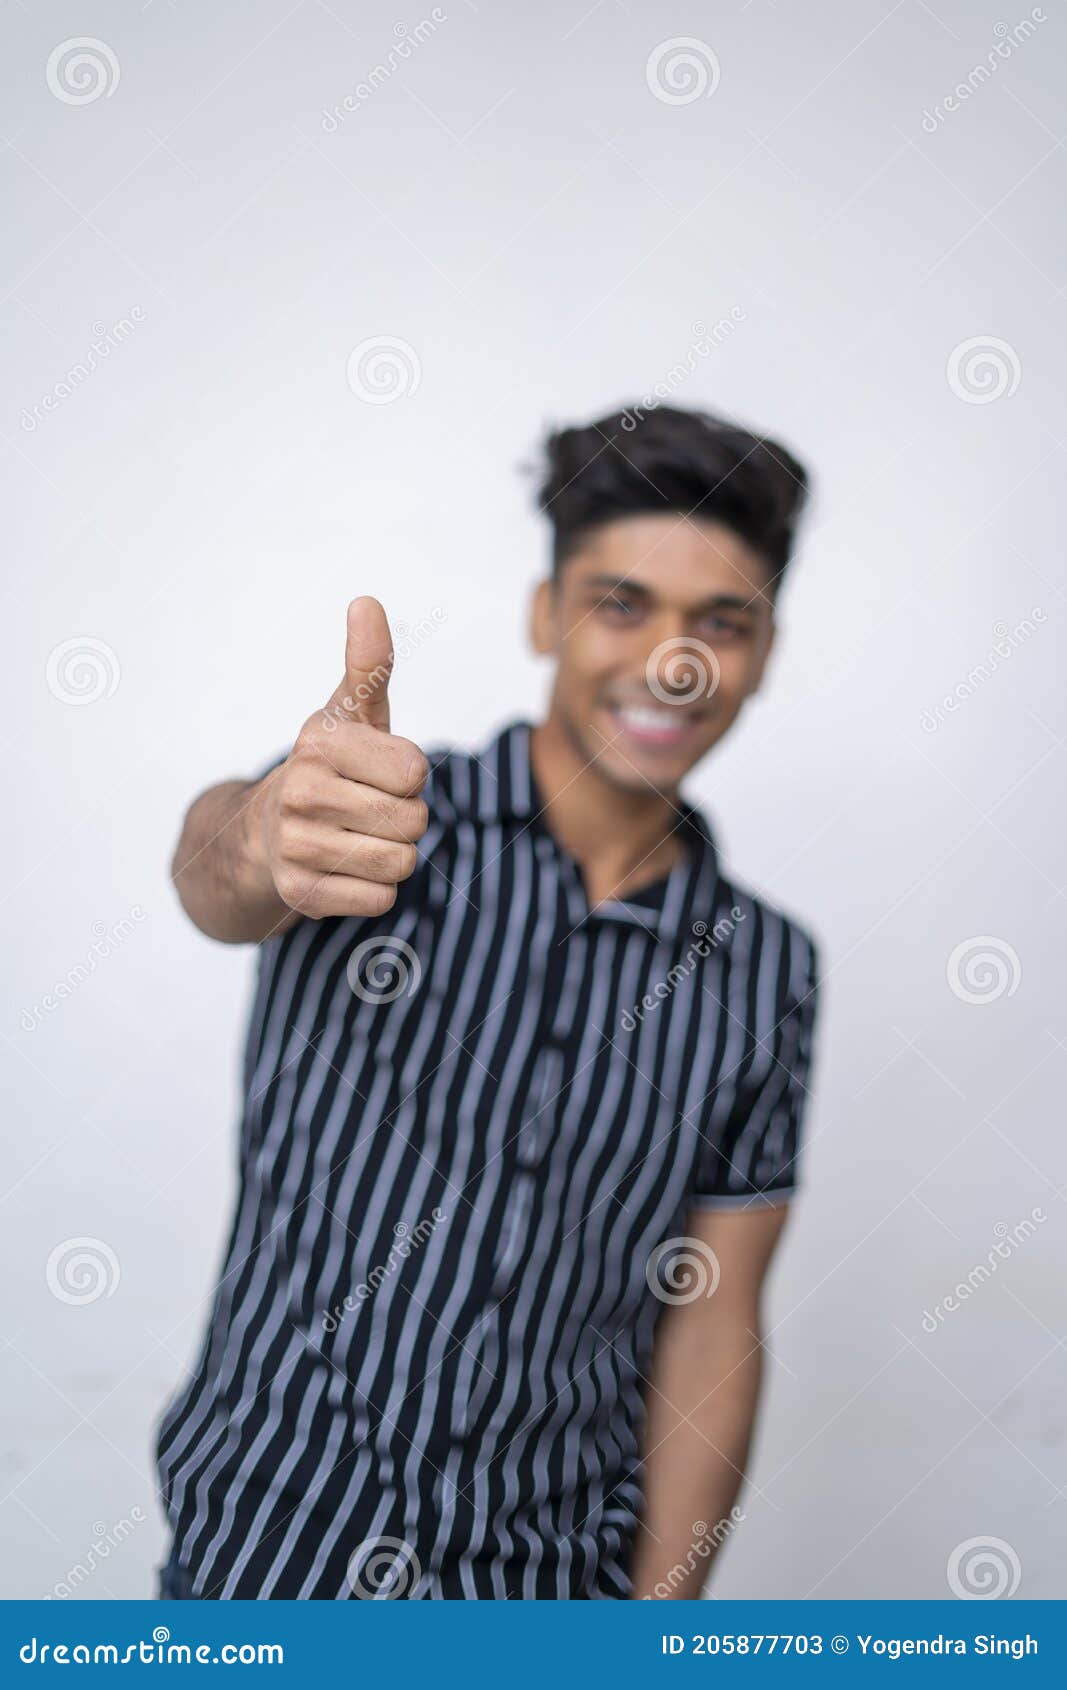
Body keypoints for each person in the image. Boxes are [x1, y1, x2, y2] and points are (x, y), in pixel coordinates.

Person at [155, 403, 821, 1600]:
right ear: (544, 612)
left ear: (765, 650)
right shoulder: (376, 821)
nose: (672, 659)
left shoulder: (764, 966)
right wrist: (259, 834)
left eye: (720, 622)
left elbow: (711, 1324)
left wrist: (657, 1632)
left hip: (550, 1593)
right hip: (269, 1562)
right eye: (621, 602)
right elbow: (218, 873)